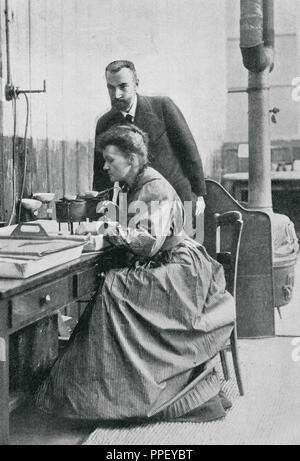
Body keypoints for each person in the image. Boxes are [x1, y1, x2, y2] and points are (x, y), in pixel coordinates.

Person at [35, 124, 235, 423]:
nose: (105, 166)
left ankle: (119, 393)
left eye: (110, 160)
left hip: (180, 269)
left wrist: (109, 227)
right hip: (168, 263)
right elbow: (142, 229)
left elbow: (148, 244)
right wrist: (114, 216)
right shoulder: (137, 184)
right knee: (115, 285)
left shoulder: (154, 187)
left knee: (114, 289)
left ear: (131, 159)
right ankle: (104, 386)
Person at [93, 60, 206, 233]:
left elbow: (188, 150)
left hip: (175, 197)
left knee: (177, 249)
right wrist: (101, 210)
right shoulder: (105, 123)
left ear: (136, 84)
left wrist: (198, 195)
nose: (116, 94)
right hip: (135, 204)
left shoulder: (162, 106)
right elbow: (101, 174)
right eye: (110, 87)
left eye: (123, 86)